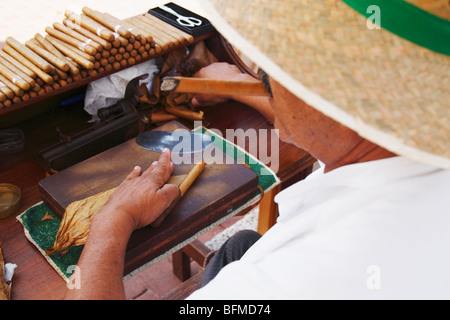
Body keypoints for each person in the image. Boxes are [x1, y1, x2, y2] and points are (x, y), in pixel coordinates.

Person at [64, 0, 450, 299]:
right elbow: (333, 129)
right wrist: (234, 83)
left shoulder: (281, 283)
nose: (261, 78)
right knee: (240, 245)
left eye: (268, 70)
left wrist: (112, 220)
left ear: (336, 96)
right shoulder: (404, 149)